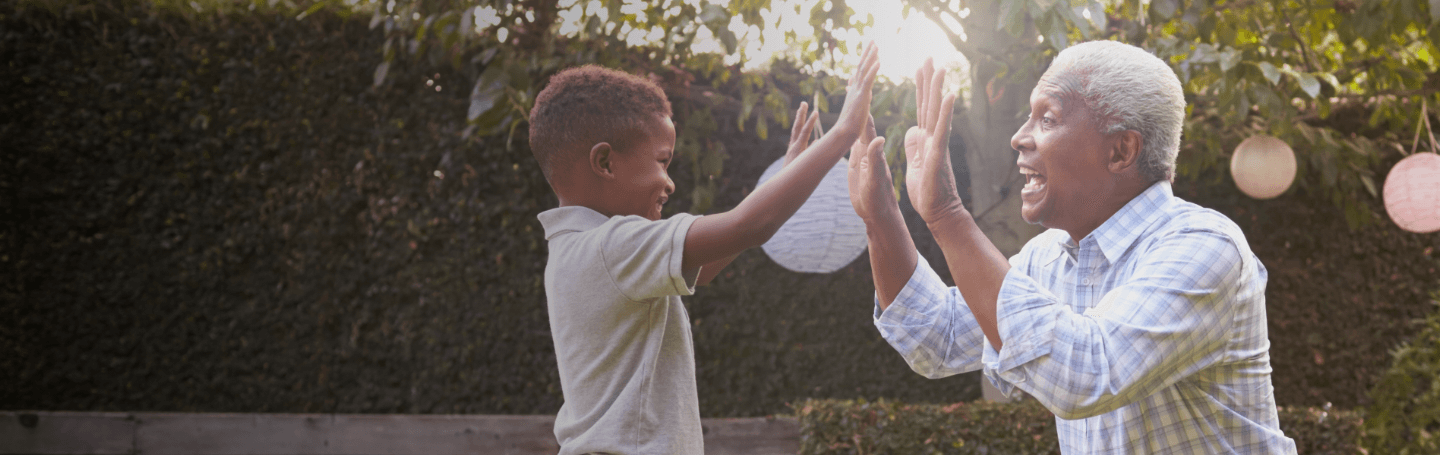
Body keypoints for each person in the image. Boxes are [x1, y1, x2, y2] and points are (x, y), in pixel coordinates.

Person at [846, 40, 1297, 453]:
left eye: (1048, 118)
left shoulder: (1203, 247)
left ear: (1121, 151)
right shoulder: (1049, 257)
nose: (1019, 138)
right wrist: (882, 217)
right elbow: (937, 338)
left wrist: (946, 214)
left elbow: (1087, 375)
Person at [528, 44, 881, 455]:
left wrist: (786, 176)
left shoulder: (581, 251)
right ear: (605, 162)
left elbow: (709, 262)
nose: (669, 182)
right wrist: (842, 133)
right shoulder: (611, 246)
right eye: (662, 161)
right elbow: (750, 224)